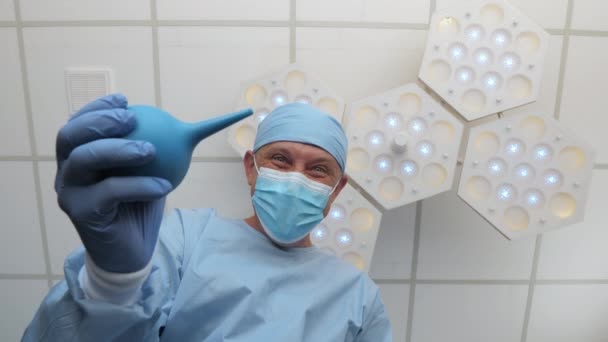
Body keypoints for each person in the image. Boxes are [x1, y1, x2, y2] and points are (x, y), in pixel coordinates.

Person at [22, 93, 392, 341]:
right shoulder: (185, 239)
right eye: (280, 159)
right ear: (251, 168)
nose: (296, 178)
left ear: (337, 188)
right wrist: (112, 283)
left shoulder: (359, 298)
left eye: (317, 169)